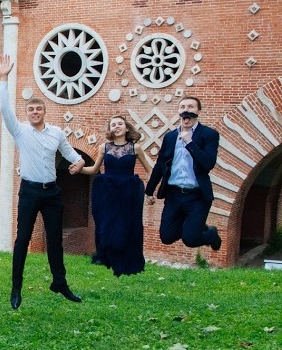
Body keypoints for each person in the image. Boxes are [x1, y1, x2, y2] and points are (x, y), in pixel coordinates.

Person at [0, 55, 85, 310]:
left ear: (44, 112)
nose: (35, 112)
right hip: (30, 191)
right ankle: (16, 288)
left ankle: (60, 282)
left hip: (52, 193)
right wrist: (4, 77)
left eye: (38, 109)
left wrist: (79, 162)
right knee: (22, 239)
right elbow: (4, 108)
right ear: (27, 114)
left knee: (55, 239)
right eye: (31, 110)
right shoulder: (20, 131)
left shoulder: (56, 132)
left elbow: (72, 154)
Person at [145, 96, 222, 250]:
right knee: (167, 237)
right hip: (174, 195)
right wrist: (149, 191)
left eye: (191, 107)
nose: (186, 110)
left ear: (198, 111)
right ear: (179, 111)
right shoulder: (170, 136)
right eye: (183, 107)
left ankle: (211, 234)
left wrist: (190, 142)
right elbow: (160, 164)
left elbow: (208, 163)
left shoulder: (209, 134)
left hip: (197, 196)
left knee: (190, 240)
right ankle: (194, 227)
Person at [80, 115, 152, 276]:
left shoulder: (135, 148)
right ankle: (108, 256)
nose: (117, 126)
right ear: (110, 129)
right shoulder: (104, 147)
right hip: (108, 191)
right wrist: (79, 169)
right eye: (113, 124)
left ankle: (126, 259)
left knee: (127, 224)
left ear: (126, 128)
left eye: (120, 124)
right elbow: (94, 169)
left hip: (129, 192)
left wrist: (150, 192)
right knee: (107, 223)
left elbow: (149, 171)